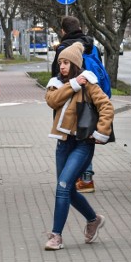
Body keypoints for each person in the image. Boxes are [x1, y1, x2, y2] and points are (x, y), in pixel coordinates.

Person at [44, 42, 114, 250]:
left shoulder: (90, 84)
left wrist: (100, 132)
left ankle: (56, 236)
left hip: (83, 143)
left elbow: (106, 107)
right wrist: (73, 83)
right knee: (66, 189)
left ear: (75, 64)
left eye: (66, 63)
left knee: (63, 187)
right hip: (63, 144)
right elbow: (52, 100)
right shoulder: (56, 83)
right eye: (60, 63)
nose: (62, 66)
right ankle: (93, 219)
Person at [51, 16, 99, 194]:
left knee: (67, 136)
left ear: (63, 31)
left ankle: (68, 179)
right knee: (85, 136)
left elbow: (57, 75)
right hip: (89, 99)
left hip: (70, 97)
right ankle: (87, 178)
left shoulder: (64, 48)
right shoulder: (91, 45)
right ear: (80, 27)